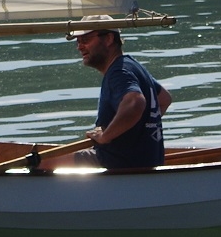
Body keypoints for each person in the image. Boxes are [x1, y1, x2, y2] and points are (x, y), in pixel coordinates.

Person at [71, 19, 172, 169]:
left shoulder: (119, 72)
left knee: (43, 162)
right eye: (78, 41)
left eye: (85, 40)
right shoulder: (132, 66)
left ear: (109, 39)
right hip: (144, 163)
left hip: (117, 163)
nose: (80, 46)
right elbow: (164, 99)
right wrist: (136, 128)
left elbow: (135, 102)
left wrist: (106, 136)